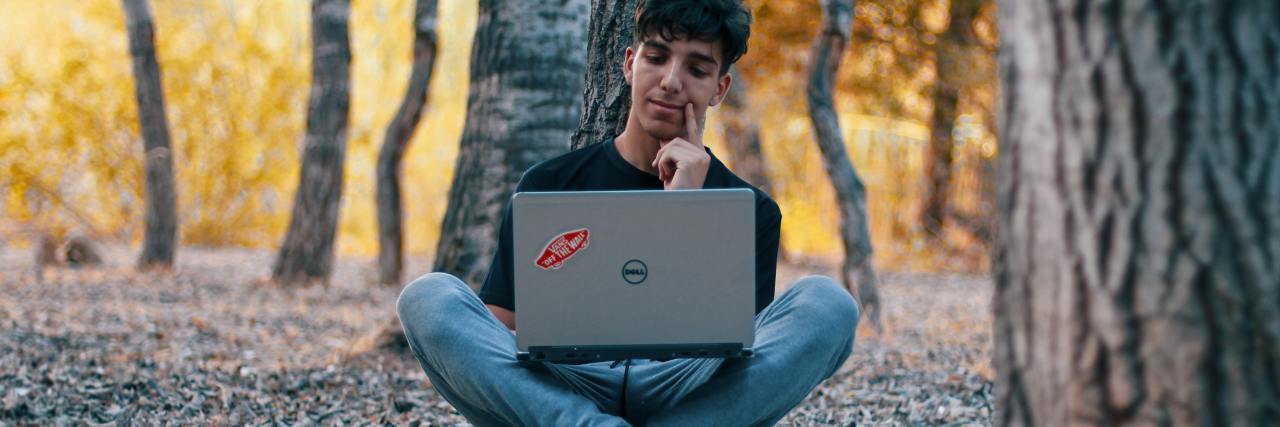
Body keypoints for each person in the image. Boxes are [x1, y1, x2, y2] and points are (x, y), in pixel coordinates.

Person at [397, 0, 859, 424]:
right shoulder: (549, 185)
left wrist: (687, 217)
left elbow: (740, 363)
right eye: (656, 57)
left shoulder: (749, 211)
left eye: (696, 68)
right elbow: (497, 332)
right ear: (629, 63)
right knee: (427, 298)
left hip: (686, 388)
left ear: (719, 89)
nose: (671, 81)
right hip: (564, 383)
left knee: (830, 304)